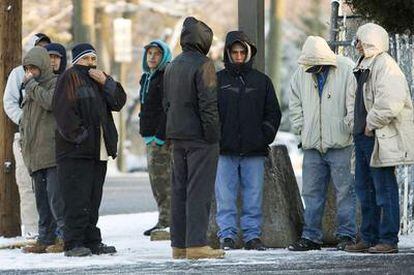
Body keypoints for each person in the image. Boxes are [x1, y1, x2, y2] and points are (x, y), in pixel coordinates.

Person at [344, 23, 414, 254]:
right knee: (365, 190)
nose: (356, 44)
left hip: (378, 137)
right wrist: (354, 124)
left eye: (360, 40)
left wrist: (369, 125)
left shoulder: (386, 65)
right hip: (363, 136)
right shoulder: (363, 64)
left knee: (384, 189)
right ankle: (369, 236)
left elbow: (390, 102)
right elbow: (354, 99)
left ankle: (388, 239)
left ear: (369, 40)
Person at [53, 43, 127, 257]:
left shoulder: (99, 79)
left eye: (93, 59)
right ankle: (73, 242)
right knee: (77, 198)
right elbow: (64, 113)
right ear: (77, 61)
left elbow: (119, 101)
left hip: (98, 152)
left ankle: (92, 240)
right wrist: (81, 137)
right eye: (86, 59)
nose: (90, 63)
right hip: (76, 152)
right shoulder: (69, 77)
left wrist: (107, 82)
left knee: (93, 198)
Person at [288, 36, 357, 251]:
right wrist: (301, 132)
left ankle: (347, 235)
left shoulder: (346, 69)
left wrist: (348, 128)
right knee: (311, 192)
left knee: (345, 191)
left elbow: (353, 102)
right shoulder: (301, 73)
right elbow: (295, 104)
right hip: (312, 145)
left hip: (341, 143)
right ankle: (311, 236)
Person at [163, 16, 224, 260]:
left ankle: (179, 245)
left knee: (179, 191)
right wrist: (214, 136)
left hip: (176, 136)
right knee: (199, 191)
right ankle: (197, 244)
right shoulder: (204, 65)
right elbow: (208, 104)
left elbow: (166, 103)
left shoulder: (172, 65)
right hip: (200, 138)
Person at [215, 31, 281, 251]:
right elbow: (208, 112)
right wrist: (217, 136)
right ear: (228, 53)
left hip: (254, 151)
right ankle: (227, 236)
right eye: (234, 52)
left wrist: (264, 135)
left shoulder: (262, 81)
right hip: (225, 150)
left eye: (243, 52)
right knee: (225, 197)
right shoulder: (218, 80)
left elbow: (273, 112)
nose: (239, 56)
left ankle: (253, 236)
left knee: (253, 197)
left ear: (249, 53)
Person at [3, 33, 51, 240]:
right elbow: (9, 102)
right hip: (24, 137)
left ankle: (52, 230)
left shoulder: (56, 76)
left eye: (47, 48)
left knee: (52, 186)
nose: (43, 52)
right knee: (27, 184)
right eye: (39, 47)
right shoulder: (18, 73)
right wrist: (25, 120)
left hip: (50, 138)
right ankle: (32, 230)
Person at [18, 46, 58, 253]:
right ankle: (45, 238)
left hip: (51, 154)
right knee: (41, 201)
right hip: (34, 156)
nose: (30, 72)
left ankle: (61, 237)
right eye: (27, 68)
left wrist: (32, 85)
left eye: (34, 67)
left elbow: (51, 103)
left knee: (55, 199)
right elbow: (25, 120)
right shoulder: (29, 90)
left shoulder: (55, 83)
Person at [139, 40, 173, 239]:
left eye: (157, 54)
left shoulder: (165, 77)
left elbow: (167, 108)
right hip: (149, 138)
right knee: (156, 183)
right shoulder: (146, 78)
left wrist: (160, 137)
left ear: (164, 56)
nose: (152, 57)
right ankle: (163, 219)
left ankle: (168, 222)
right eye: (149, 53)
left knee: (164, 183)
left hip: (162, 140)